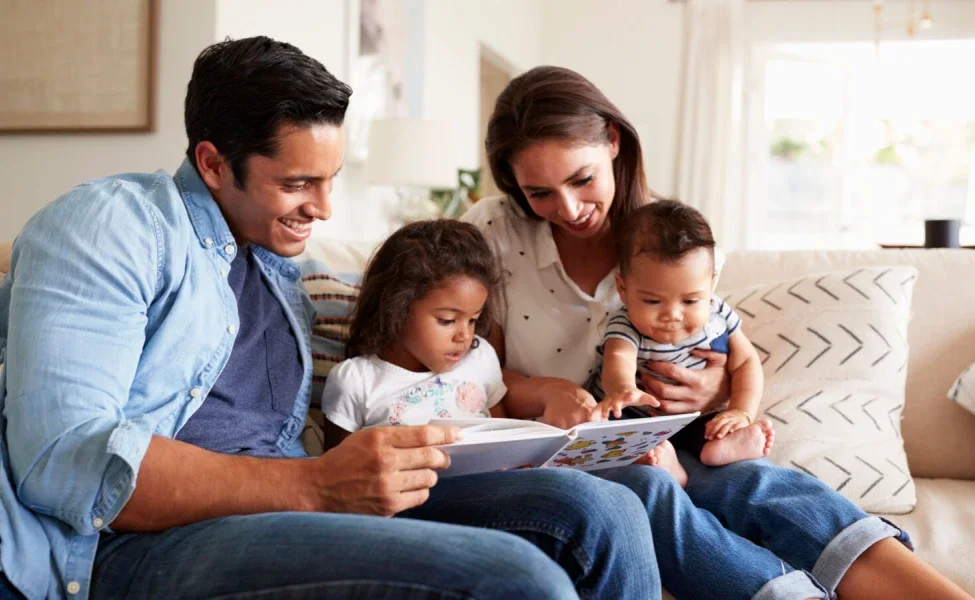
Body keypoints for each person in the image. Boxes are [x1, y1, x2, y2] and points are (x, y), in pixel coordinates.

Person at [0, 38, 664, 600]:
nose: (323, 207)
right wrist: (315, 485)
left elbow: (402, 316)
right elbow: (65, 461)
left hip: (294, 500)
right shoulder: (110, 226)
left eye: (330, 180)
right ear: (211, 163)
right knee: (517, 578)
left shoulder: (281, 268)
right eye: (296, 184)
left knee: (598, 508)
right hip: (135, 546)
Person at [463, 64, 972, 600]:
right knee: (648, 491)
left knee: (762, 486)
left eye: (582, 179)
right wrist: (548, 391)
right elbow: (474, 373)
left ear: (613, 141)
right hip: (560, 453)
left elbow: (721, 357)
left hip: (664, 432)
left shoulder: (675, 242)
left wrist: (716, 391)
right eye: (540, 192)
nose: (568, 210)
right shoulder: (493, 232)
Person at [591, 199, 775, 485]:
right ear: (623, 289)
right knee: (612, 433)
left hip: (695, 416)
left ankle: (723, 447)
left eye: (690, 300)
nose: (672, 315)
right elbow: (618, 358)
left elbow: (747, 362)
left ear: (711, 285)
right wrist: (624, 389)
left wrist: (741, 411)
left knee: (714, 427)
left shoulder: (718, 314)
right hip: (637, 416)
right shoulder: (626, 323)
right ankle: (665, 465)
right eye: (652, 301)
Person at [322, 219, 508, 446]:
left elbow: (507, 436)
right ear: (396, 308)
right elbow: (337, 468)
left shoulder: (480, 358)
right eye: (447, 320)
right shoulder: (355, 381)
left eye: (473, 320)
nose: (464, 336)